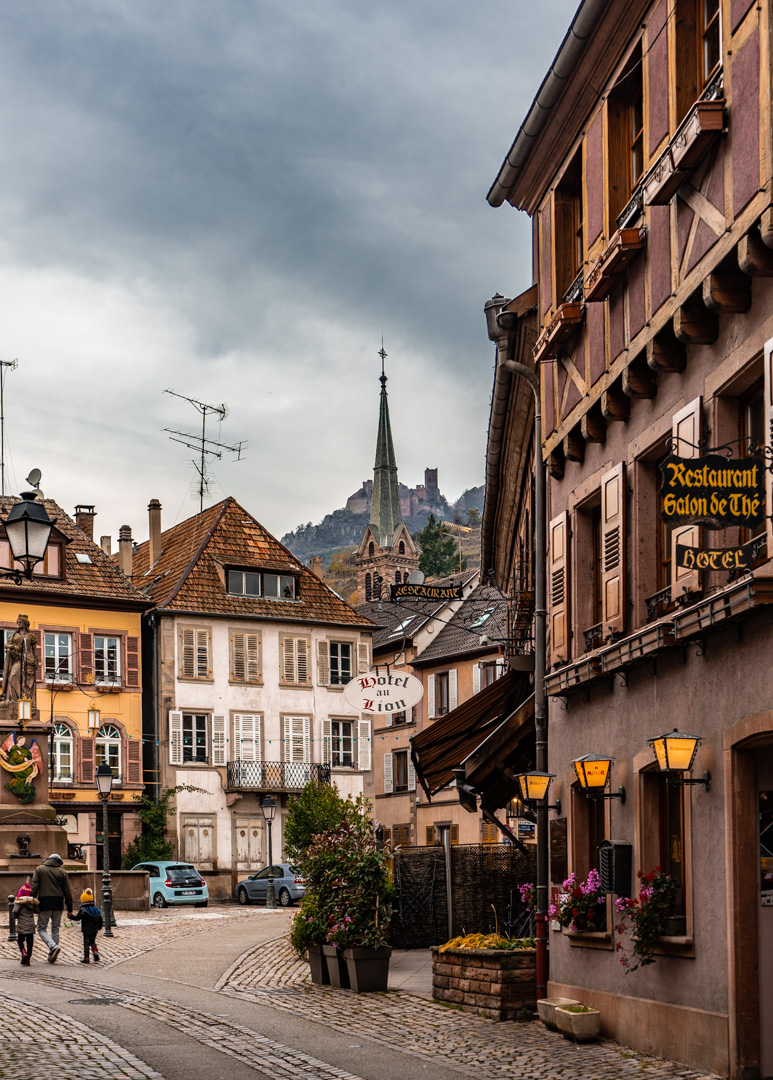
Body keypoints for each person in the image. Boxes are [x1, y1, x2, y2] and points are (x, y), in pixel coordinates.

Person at [31, 853, 73, 962]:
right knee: (55, 929)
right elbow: (68, 892)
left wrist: (31, 900)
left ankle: (52, 947)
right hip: (58, 903)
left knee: (41, 928)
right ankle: (51, 954)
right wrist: (70, 909)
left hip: (45, 902)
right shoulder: (62, 872)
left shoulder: (40, 869)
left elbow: (34, 887)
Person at [72, 888, 103, 963]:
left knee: (86, 943)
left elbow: (77, 918)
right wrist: (99, 927)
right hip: (94, 929)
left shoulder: (83, 909)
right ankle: (95, 951)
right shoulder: (96, 909)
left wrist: (70, 916)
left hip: (86, 929)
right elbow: (100, 918)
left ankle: (86, 957)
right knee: (92, 941)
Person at [13, 882, 39, 966]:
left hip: (21, 925)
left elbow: (15, 911)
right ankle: (28, 959)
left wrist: (16, 916)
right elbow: (37, 911)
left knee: (20, 940)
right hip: (30, 926)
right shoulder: (32, 902)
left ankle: (23, 952)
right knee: (30, 942)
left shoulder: (19, 902)